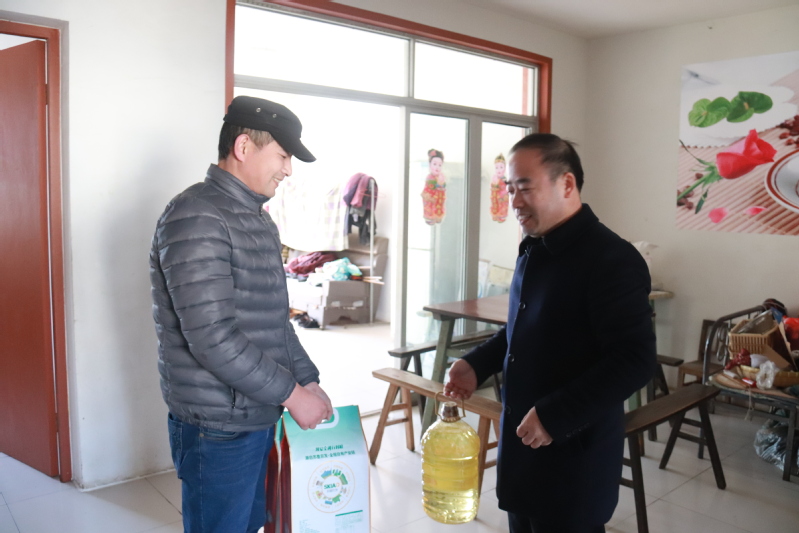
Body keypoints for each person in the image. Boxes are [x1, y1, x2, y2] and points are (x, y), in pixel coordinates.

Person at [445, 133, 656, 533]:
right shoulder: (535, 248)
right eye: (510, 188)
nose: (514, 201)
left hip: (574, 458)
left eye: (525, 187)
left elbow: (635, 360)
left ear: (567, 183)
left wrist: (555, 415)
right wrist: (477, 364)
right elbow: (525, 328)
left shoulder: (612, 259)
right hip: (523, 450)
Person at [150, 95, 333, 533]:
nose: (288, 170)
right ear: (244, 147)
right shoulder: (196, 215)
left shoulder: (257, 220)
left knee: (248, 525)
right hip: (218, 425)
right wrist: (293, 396)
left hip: (254, 410)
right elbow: (213, 338)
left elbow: (272, 322)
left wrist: (307, 379)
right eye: (283, 156)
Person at [421, 148, 446, 224]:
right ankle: (431, 218)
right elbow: (429, 190)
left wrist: (441, 183)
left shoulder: (441, 177)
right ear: (430, 165)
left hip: (439, 202)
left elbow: (443, 190)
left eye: (440, 165)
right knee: (431, 211)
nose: (437, 167)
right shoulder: (430, 177)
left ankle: (437, 218)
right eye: (434, 164)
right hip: (431, 201)